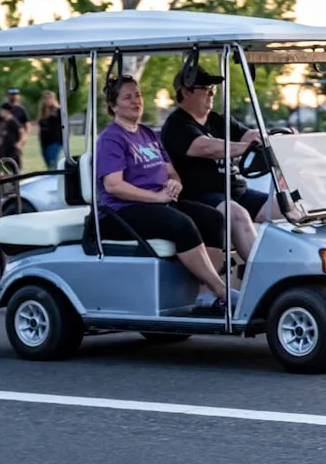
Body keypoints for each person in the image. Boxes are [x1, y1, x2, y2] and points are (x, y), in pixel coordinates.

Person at [95, 75, 235, 310]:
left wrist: (175, 184)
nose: (135, 101)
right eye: (127, 97)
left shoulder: (148, 134)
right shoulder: (111, 139)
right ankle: (221, 290)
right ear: (113, 106)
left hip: (158, 203)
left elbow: (171, 172)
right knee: (182, 224)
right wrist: (157, 198)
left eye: (137, 95)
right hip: (121, 212)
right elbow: (114, 186)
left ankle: (203, 296)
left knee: (214, 219)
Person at [161, 65, 282, 263]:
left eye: (213, 89)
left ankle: (304, 268)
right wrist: (248, 147)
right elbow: (208, 147)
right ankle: (265, 277)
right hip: (199, 196)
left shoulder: (218, 120)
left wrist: (274, 139)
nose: (211, 93)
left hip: (236, 192)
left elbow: (250, 134)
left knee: (289, 207)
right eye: (204, 88)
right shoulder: (177, 126)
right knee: (237, 214)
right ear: (185, 92)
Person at [37, 90, 63, 170]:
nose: (47, 100)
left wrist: (57, 107)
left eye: (50, 98)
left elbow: (64, 124)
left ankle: (55, 180)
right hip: (44, 142)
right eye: (46, 98)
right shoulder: (43, 112)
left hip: (55, 141)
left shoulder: (58, 111)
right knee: (48, 164)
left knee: (53, 164)